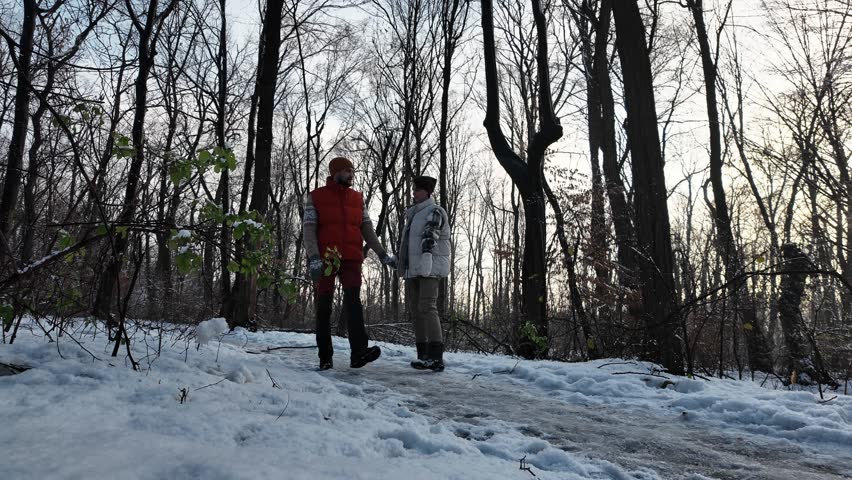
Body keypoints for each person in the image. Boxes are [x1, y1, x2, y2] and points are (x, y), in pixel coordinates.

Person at [303, 156, 396, 370]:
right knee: (324, 306)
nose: (351, 175)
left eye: (352, 171)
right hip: (326, 258)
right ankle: (325, 356)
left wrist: (382, 254)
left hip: (352, 257)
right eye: (347, 171)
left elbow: (367, 230)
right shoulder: (316, 197)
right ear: (336, 173)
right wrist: (314, 257)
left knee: (354, 303)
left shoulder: (357, 198)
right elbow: (308, 229)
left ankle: (359, 353)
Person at [398, 175, 451, 371]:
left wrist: (427, 257)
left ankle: (436, 357)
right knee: (417, 311)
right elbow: (408, 245)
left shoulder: (434, 211)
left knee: (427, 307)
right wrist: (402, 264)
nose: (413, 193)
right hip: (414, 269)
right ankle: (423, 355)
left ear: (427, 192)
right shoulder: (414, 214)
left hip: (430, 268)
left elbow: (430, 235)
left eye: (417, 190)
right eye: (413, 189)